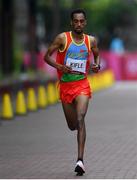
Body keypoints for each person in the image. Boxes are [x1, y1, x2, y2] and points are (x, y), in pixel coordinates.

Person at [44, 9, 100, 176]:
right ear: (71, 22)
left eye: (82, 21)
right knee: (72, 125)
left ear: (85, 22)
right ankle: (78, 129)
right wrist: (59, 67)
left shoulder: (91, 40)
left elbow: (97, 56)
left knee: (80, 117)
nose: (79, 24)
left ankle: (80, 161)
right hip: (65, 87)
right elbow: (46, 56)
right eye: (76, 21)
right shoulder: (63, 38)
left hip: (82, 85)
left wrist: (97, 65)